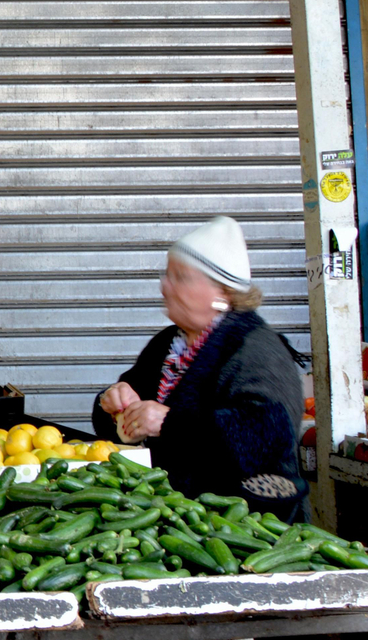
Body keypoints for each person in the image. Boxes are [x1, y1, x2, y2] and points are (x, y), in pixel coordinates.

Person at [91, 215, 308, 520]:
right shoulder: (167, 343)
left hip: (246, 528)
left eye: (180, 277)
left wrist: (169, 423)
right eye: (166, 275)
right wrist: (110, 402)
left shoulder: (257, 349)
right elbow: (121, 421)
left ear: (222, 293)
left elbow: (266, 437)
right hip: (176, 521)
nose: (165, 286)